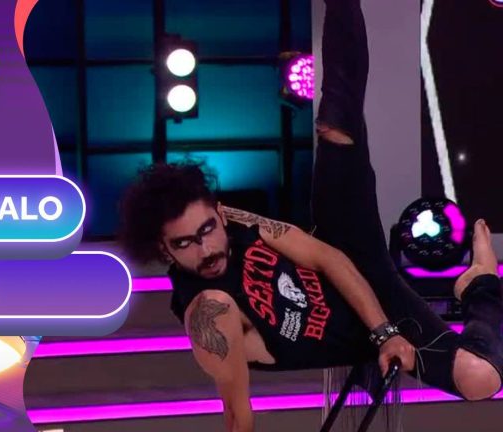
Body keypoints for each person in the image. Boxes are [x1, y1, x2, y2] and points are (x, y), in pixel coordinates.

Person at [118, 0, 503, 431]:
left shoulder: (234, 221)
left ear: (220, 215)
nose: (205, 248)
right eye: (184, 243)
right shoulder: (208, 314)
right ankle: (481, 285)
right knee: (480, 378)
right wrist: (384, 333)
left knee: (337, 124)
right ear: (164, 250)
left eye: (207, 229)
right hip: (360, 328)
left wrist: (385, 332)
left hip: (352, 261)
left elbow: (328, 257)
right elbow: (237, 415)